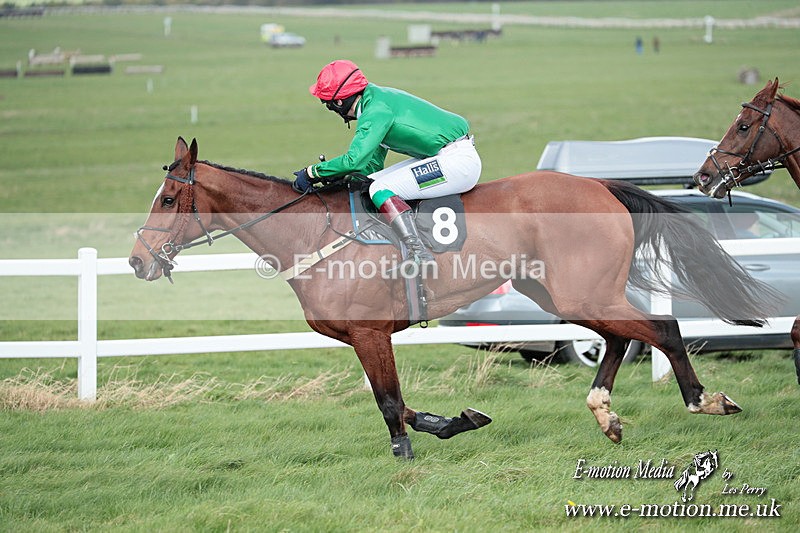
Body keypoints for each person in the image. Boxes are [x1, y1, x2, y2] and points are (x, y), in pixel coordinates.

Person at [293, 59, 482, 268]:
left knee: (380, 188)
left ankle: (418, 253)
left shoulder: (376, 111)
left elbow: (354, 160)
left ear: (339, 102)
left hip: (457, 163)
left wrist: (313, 172)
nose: (329, 108)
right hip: (445, 156)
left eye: (327, 102)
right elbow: (370, 166)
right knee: (371, 183)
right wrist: (341, 178)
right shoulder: (374, 100)